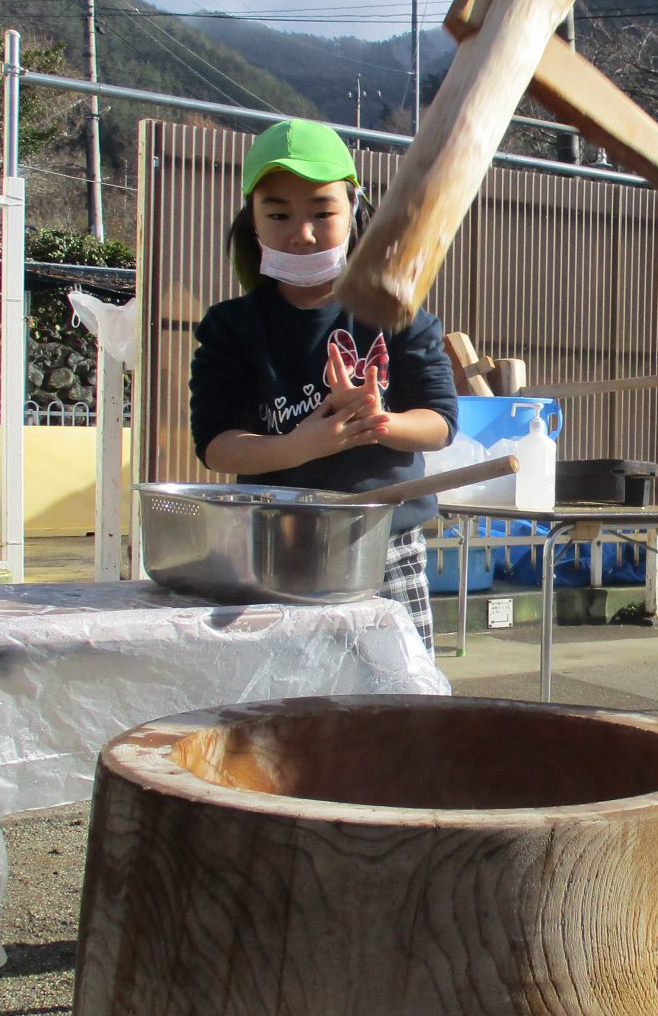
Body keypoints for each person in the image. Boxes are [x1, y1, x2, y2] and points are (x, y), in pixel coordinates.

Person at [189, 118, 458, 654]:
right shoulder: (231, 327)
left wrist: (378, 421)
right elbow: (215, 444)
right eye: (279, 214)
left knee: (395, 694)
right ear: (252, 220)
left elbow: (441, 423)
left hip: (384, 542)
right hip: (273, 547)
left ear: (354, 208)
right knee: (284, 692)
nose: (303, 233)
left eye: (322, 212)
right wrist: (301, 445)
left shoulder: (397, 314)